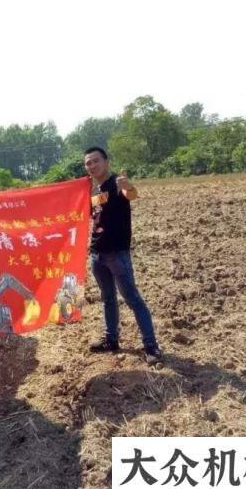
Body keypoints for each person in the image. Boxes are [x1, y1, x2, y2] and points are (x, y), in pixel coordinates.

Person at [83, 147, 163, 366]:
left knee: (132, 299)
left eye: (96, 161)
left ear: (106, 162)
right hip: (97, 254)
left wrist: (130, 187)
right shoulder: (92, 191)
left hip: (117, 254)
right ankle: (111, 340)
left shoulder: (118, 184)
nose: (92, 166)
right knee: (107, 298)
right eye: (88, 163)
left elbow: (131, 194)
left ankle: (151, 346)